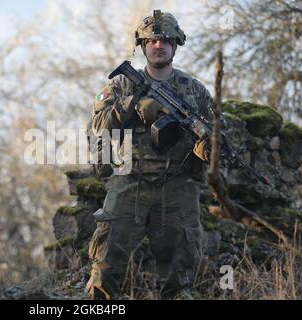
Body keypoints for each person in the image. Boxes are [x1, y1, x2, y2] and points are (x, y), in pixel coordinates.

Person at [86, 10, 213, 300]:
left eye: (166, 40)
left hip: (177, 184)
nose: (159, 45)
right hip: (129, 179)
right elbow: (99, 125)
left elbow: (213, 136)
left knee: (180, 276)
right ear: (142, 45)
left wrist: (205, 148)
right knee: (105, 267)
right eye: (152, 40)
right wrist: (134, 104)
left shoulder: (194, 92)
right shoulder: (121, 85)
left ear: (176, 44)